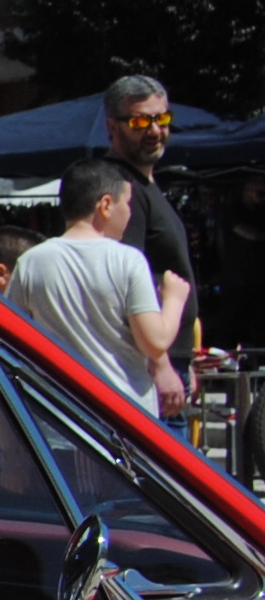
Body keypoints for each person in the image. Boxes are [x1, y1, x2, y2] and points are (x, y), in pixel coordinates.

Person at [9, 159, 172, 417]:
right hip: (125, 414)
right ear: (105, 205)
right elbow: (155, 342)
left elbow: (11, 337)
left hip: (58, 412)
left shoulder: (30, 262)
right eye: (127, 203)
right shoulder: (128, 260)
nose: (129, 213)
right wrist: (174, 299)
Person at [101, 73, 195, 413]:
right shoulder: (122, 187)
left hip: (168, 358)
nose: (154, 131)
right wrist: (160, 363)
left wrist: (182, 359)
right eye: (140, 122)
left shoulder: (145, 184)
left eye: (162, 119)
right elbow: (126, 279)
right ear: (113, 127)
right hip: (147, 367)